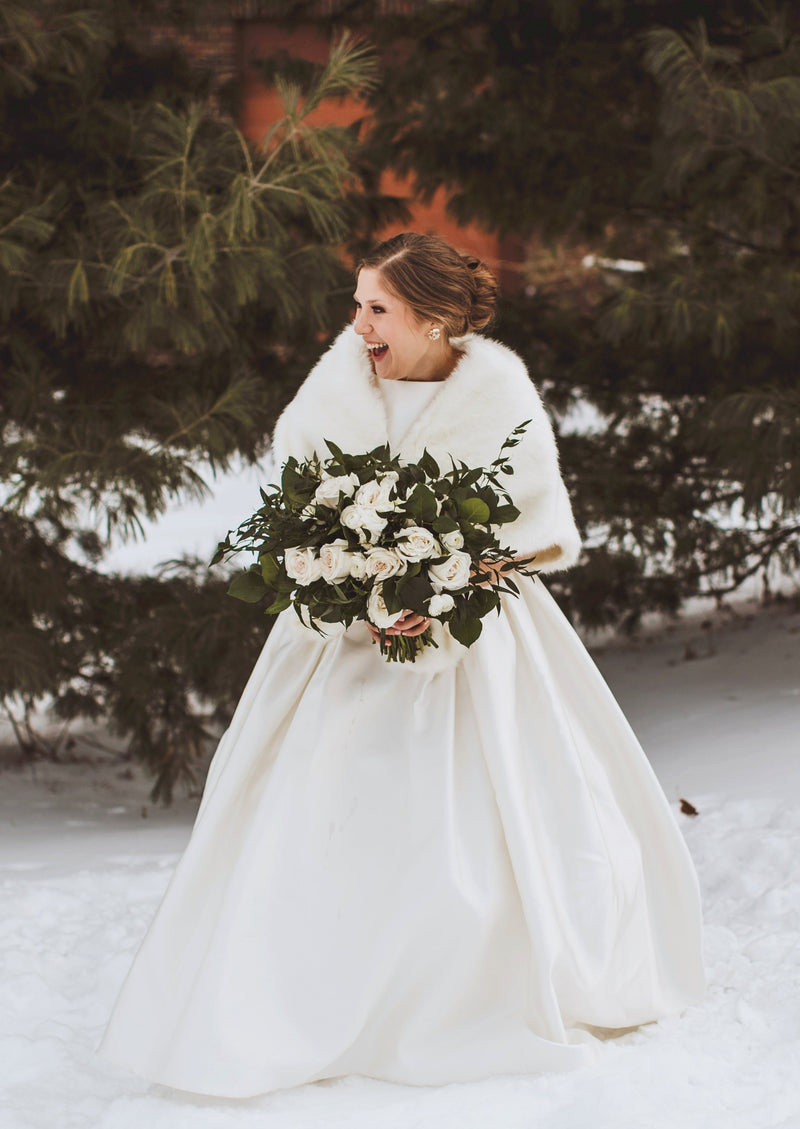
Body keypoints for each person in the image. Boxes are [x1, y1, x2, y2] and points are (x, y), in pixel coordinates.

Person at [100, 232, 704, 1097]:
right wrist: (349, 573)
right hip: (338, 648)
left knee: (488, 817)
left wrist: (451, 581)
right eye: (357, 305)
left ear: (434, 316)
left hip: (478, 645)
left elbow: (531, 525)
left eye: (376, 307)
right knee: (313, 812)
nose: (359, 324)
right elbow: (301, 504)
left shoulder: (497, 392)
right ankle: (294, 991)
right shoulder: (336, 387)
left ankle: (467, 986)